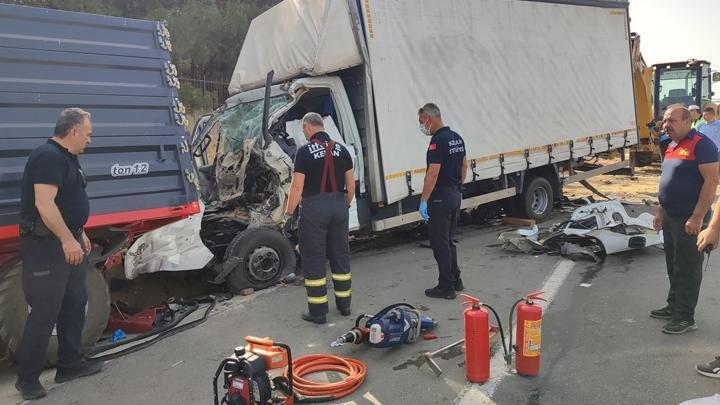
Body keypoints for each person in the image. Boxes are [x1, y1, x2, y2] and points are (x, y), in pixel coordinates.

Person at [16, 108, 103, 400]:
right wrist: (68, 240)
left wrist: (80, 233)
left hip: (69, 241)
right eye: (88, 134)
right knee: (44, 312)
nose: (90, 140)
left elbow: (67, 202)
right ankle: (26, 380)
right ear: (74, 131)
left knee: (75, 303)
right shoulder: (47, 156)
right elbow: (45, 204)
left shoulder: (68, 158)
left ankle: (70, 364)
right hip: (47, 247)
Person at [651, 105, 718, 334]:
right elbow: (667, 179)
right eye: (665, 120)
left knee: (687, 268)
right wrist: (660, 211)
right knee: (673, 264)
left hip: (689, 218)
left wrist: (698, 217)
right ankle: (674, 306)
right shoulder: (670, 144)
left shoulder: (702, 145)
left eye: (672, 120)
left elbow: (711, 182)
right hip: (671, 216)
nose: (666, 125)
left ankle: (685, 317)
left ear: (687, 121)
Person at [284, 112, 355, 324]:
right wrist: (344, 204)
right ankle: (345, 306)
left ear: (307, 126)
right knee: (340, 256)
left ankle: (318, 312)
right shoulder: (342, 150)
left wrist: (288, 213)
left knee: (314, 260)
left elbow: (297, 186)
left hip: (314, 210)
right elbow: (351, 186)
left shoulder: (304, 152)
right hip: (339, 207)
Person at [417, 103, 468, 299]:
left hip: (440, 197)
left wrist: (423, 200)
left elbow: (432, 173)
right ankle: (456, 280)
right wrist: (458, 187)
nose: (422, 126)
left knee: (440, 244)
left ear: (431, 118)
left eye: (422, 122)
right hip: (454, 193)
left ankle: (446, 286)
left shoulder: (437, 142)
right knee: (449, 241)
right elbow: (464, 165)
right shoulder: (457, 138)